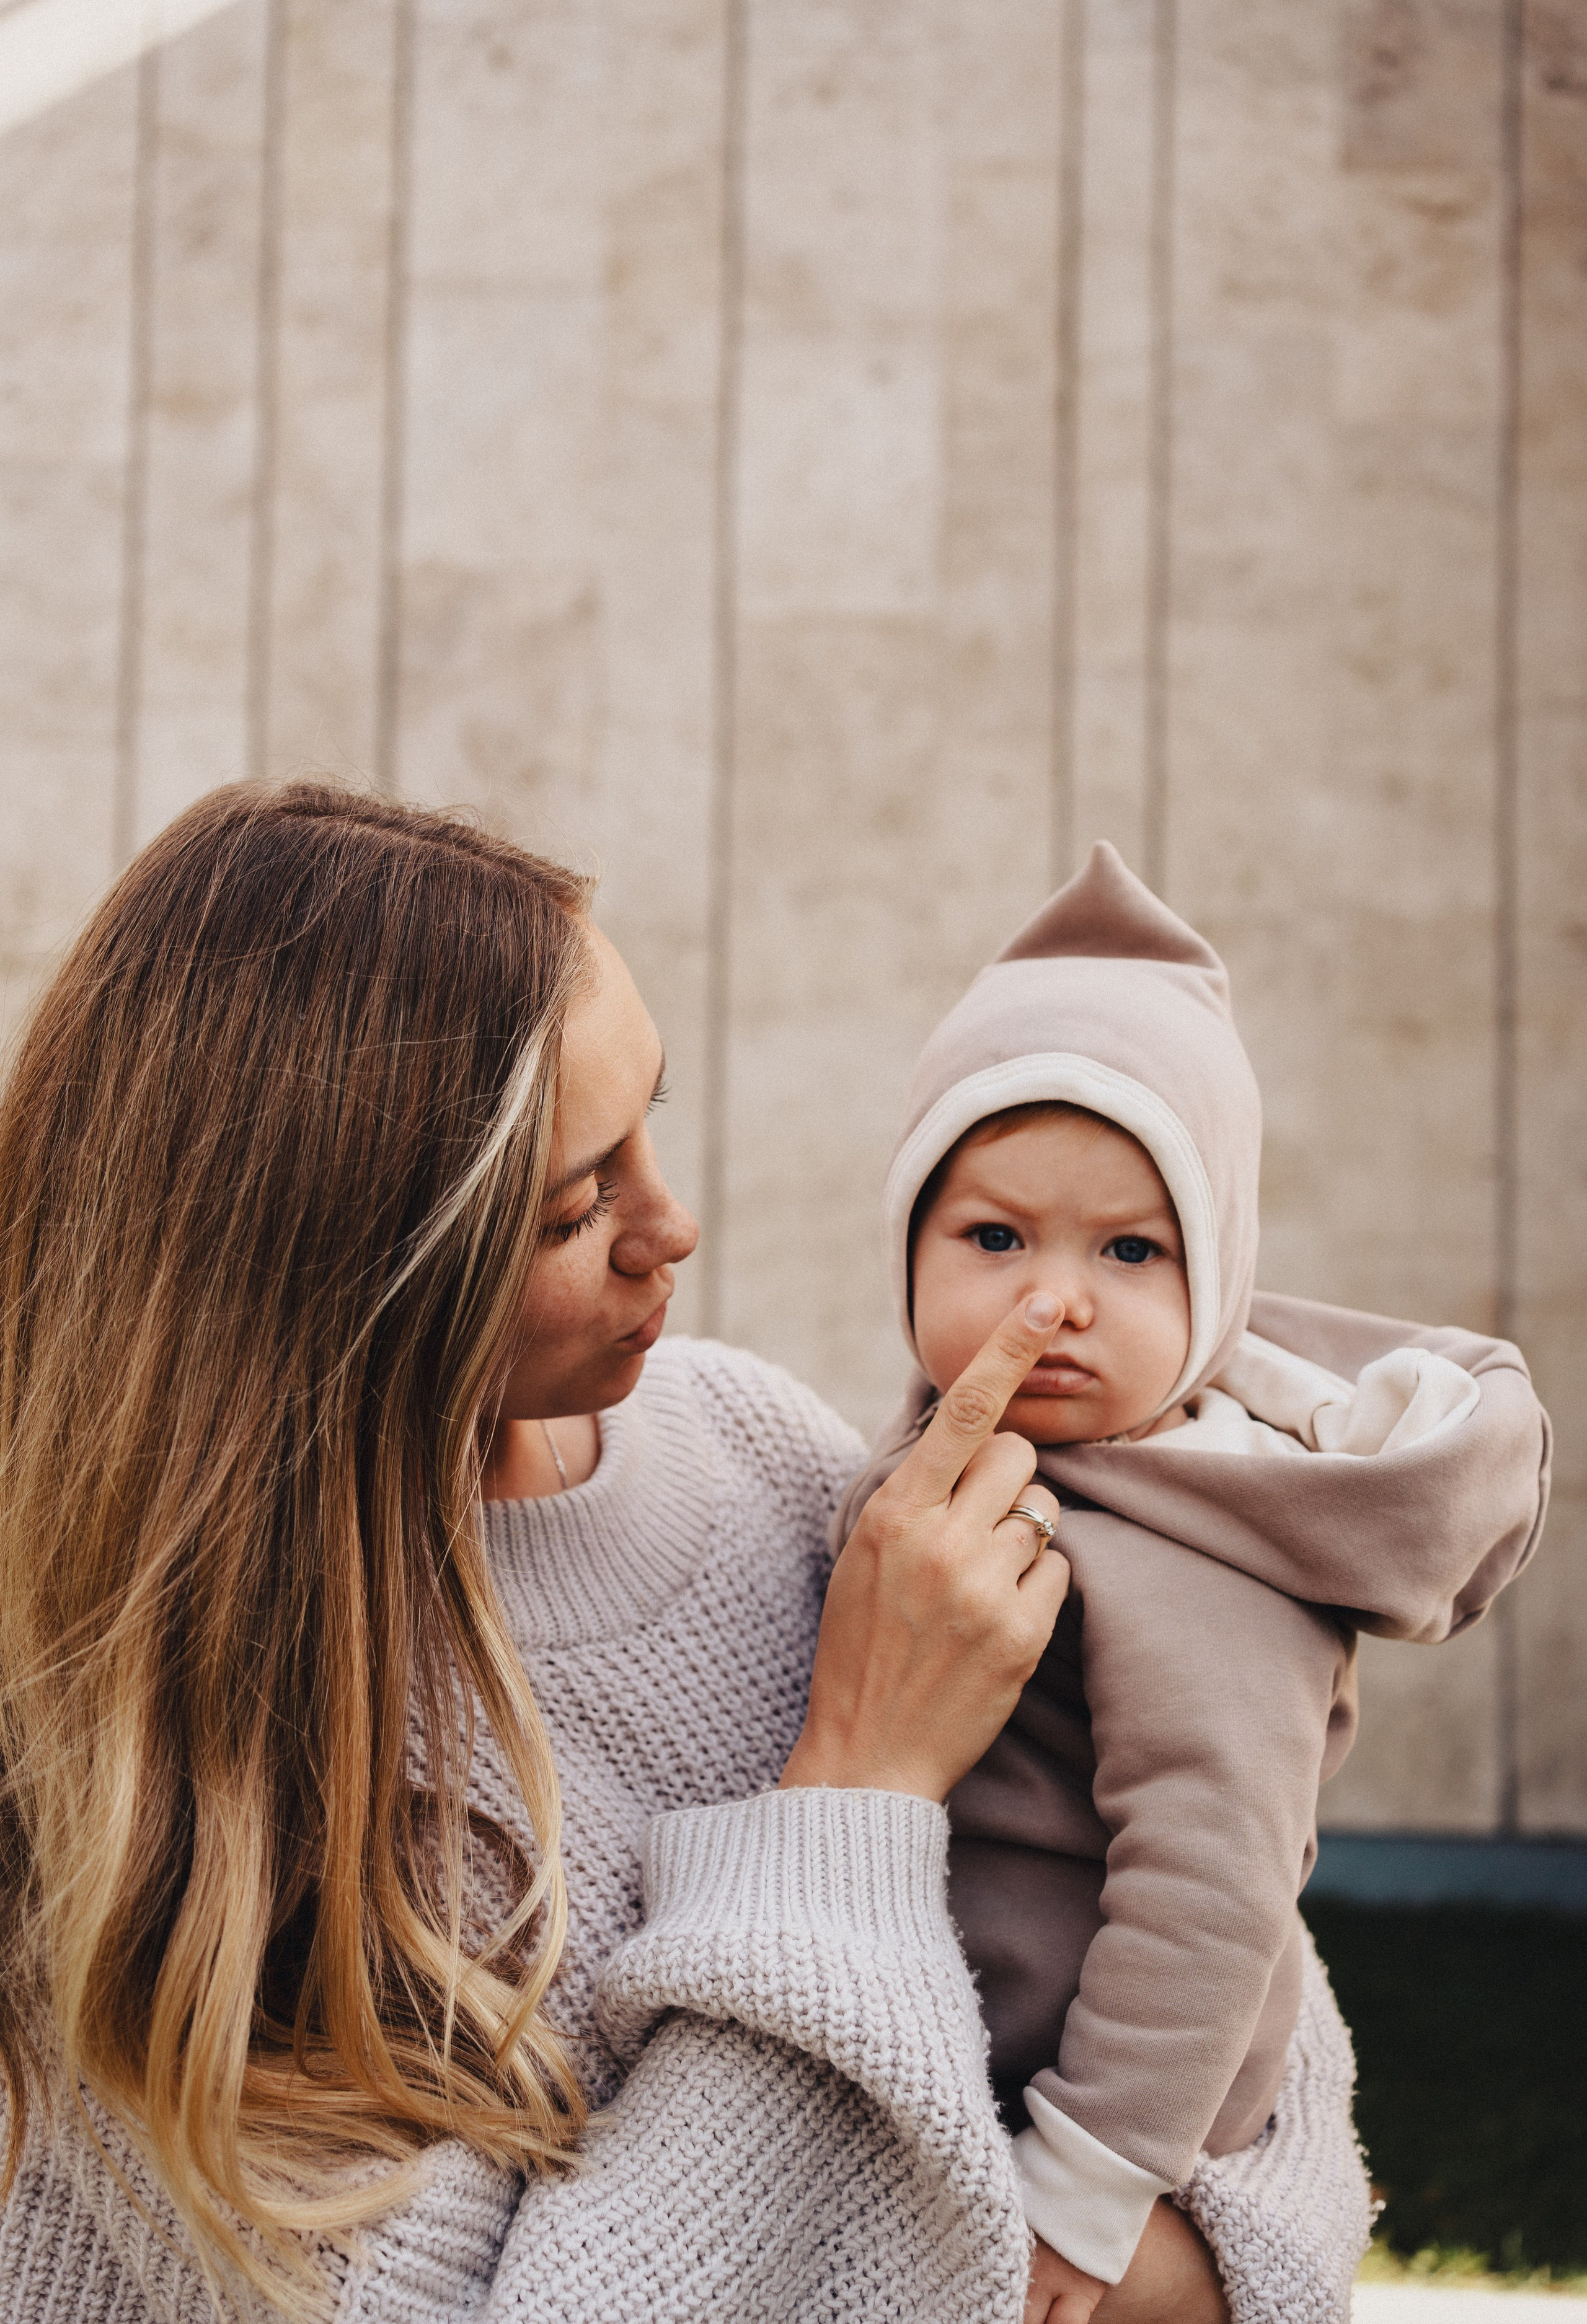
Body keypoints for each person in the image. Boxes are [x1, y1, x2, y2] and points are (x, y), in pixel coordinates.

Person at [0, 786, 1497, 2324]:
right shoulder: (150, 1803)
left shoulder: (763, 1456)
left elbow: (1251, 1995)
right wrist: (854, 1784)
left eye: (655, 1118)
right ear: (348, 1287)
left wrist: (1140, 2250)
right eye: (581, 1205)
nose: (676, 1224)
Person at [832, 842, 1550, 2323]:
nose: (1053, 1298)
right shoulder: (967, 1454)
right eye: (991, 1235)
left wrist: (1084, 2187)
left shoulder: (1197, 1549)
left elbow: (1212, 1884)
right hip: (942, 2032)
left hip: (1080, 2110)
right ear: (905, 1249)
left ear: (1213, 1292)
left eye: (1131, 1248)